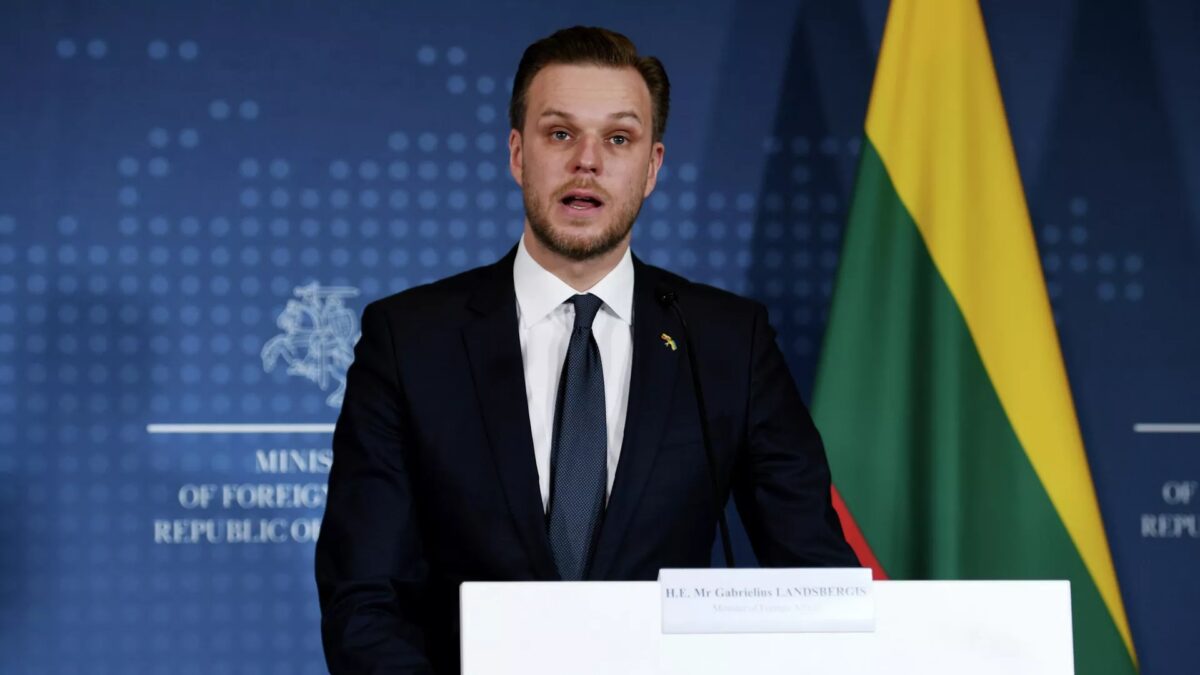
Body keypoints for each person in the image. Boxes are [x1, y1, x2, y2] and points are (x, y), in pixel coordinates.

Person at [315, 25, 858, 675]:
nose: (588, 162)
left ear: (652, 167)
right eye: (560, 134)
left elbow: (818, 582)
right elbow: (365, 599)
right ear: (518, 154)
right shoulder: (409, 340)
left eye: (619, 139)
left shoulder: (727, 342)